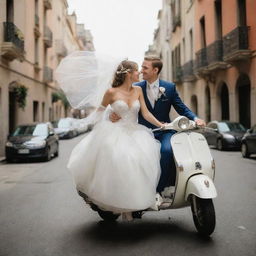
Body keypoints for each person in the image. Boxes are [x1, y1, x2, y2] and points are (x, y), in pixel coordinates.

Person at [67, 60, 166, 221]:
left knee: (139, 163)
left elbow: (146, 113)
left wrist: (161, 125)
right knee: (120, 160)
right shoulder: (111, 92)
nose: (139, 73)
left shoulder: (139, 90)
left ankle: (135, 202)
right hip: (116, 132)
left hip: (136, 133)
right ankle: (117, 202)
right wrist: (108, 116)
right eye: (136, 71)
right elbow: (99, 113)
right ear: (128, 74)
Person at [110, 56, 205, 196]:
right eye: (141, 68)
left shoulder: (169, 88)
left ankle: (159, 189)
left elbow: (182, 108)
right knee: (135, 157)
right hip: (143, 131)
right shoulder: (136, 87)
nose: (141, 71)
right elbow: (121, 100)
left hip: (165, 130)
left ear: (155, 70)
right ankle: (138, 192)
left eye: (145, 68)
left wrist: (196, 119)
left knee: (166, 151)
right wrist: (115, 114)